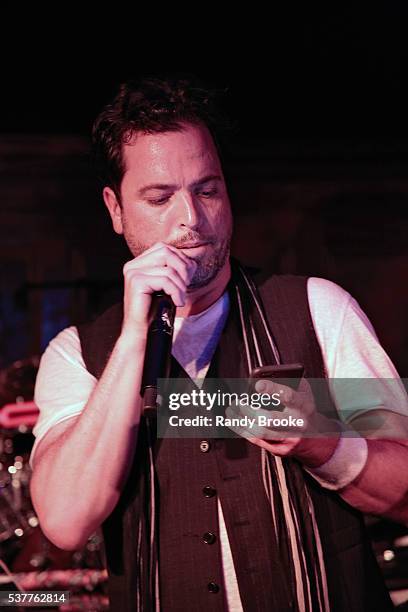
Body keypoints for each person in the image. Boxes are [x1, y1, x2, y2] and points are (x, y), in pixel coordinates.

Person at [29, 75, 408, 612]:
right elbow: (66, 521)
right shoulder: (78, 354)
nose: (191, 219)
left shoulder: (317, 308)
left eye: (207, 190)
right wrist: (136, 335)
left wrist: (326, 444)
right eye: (159, 197)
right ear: (115, 209)